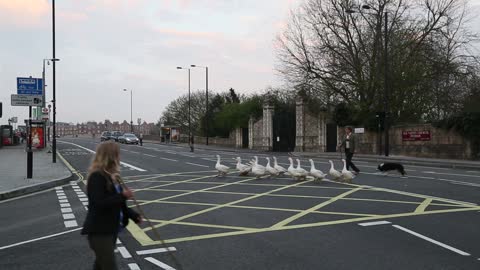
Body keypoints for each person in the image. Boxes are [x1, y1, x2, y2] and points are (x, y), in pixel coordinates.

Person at [81, 141, 142, 270]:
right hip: (99, 231)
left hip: (110, 229)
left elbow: (117, 204)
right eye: (118, 154)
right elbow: (99, 202)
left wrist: (133, 215)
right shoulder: (97, 177)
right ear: (111, 156)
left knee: (100, 265)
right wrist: (123, 195)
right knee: (109, 266)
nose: (120, 157)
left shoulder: (112, 177)